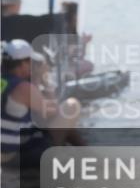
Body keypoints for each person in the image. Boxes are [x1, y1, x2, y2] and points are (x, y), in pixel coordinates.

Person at [1, 40, 81, 169]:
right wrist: (45, 79)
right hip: (12, 157)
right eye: (30, 62)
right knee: (71, 107)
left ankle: (86, 151)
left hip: (6, 150)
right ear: (22, 64)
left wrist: (35, 81)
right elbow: (53, 112)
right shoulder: (23, 88)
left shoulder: (5, 82)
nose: (32, 65)